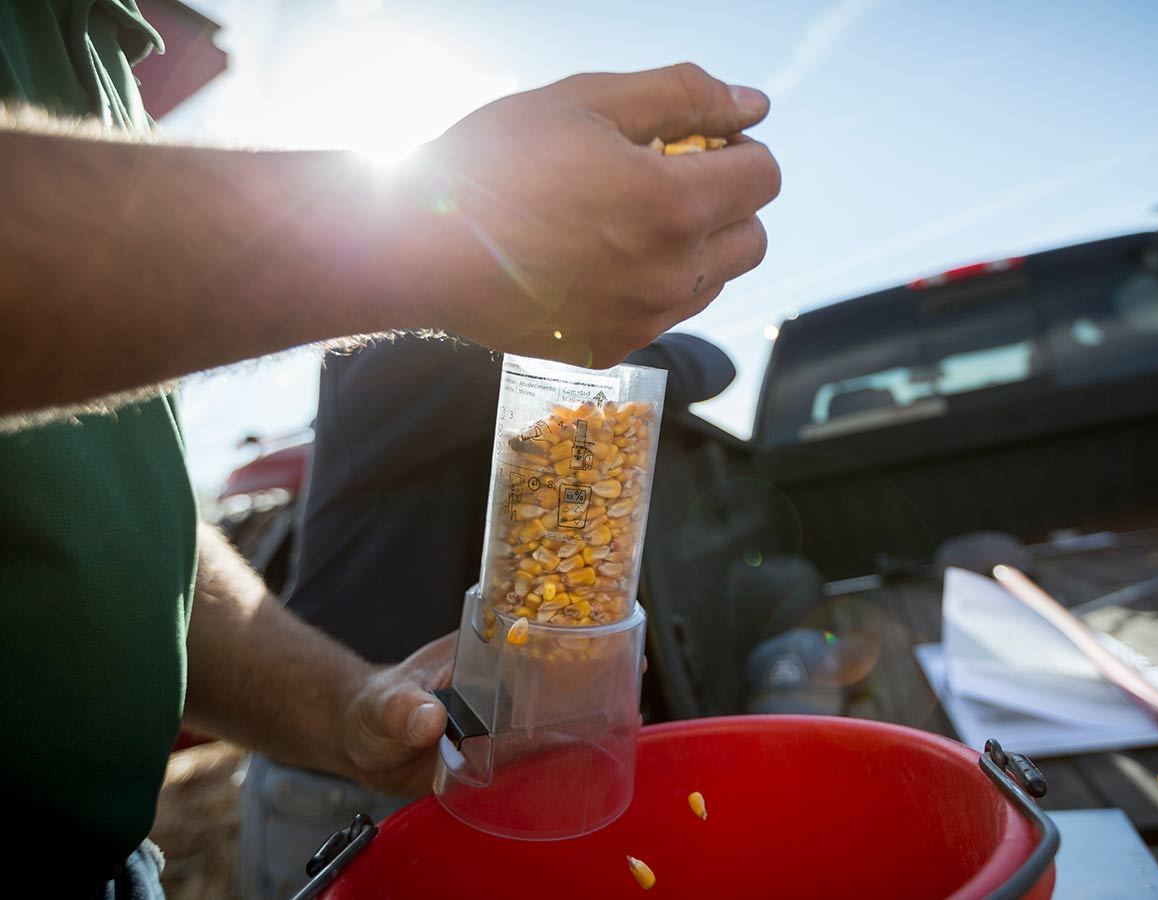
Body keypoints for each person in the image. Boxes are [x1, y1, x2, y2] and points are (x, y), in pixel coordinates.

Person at [0, 2, 779, 896]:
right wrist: (420, 236)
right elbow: (684, 363)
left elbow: (119, 521)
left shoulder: (97, 48)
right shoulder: (434, 339)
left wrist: (346, 707)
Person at [238, 333, 734, 898]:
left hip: (464, 751)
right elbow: (609, 351)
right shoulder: (394, 351)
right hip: (330, 776)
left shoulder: (507, 365)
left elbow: (710, 363)